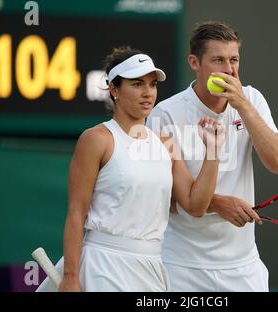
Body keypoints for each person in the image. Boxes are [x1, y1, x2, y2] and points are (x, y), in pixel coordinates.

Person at [36, 46, 225, 292]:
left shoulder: (166, 144)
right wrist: (71, 276)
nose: (148, 93)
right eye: (137, 84)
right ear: (114, 89)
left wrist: (213, 152)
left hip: (152, 268)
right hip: (102, 266)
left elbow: (195, 205)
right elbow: (76, 212)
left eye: (152, 85)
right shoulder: (96, 139)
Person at [146, 21, 278, 292]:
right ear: (194, 62)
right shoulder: (165, 114)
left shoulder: (252, 100)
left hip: (243, 265)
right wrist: (217, 203)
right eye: (218, 60)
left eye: (234, 60)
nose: (229, 70)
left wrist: (242, 106)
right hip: (180, 265)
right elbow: (161, 198)